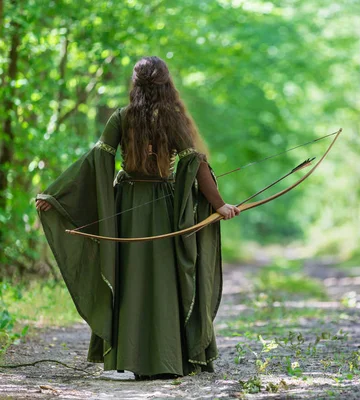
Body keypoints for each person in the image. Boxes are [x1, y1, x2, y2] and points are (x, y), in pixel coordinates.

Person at [35, 56, 240, 380]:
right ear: (165, 84)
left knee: (132, 277)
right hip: (162, 208)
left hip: (127, 207)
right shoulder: (173, 119)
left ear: (136, 84)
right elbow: (196, 165)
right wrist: (219, 204)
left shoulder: (123, 116)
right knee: (160, 279)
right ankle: (169, 359)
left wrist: (57, 194)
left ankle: (131, 360)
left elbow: (94, 160)